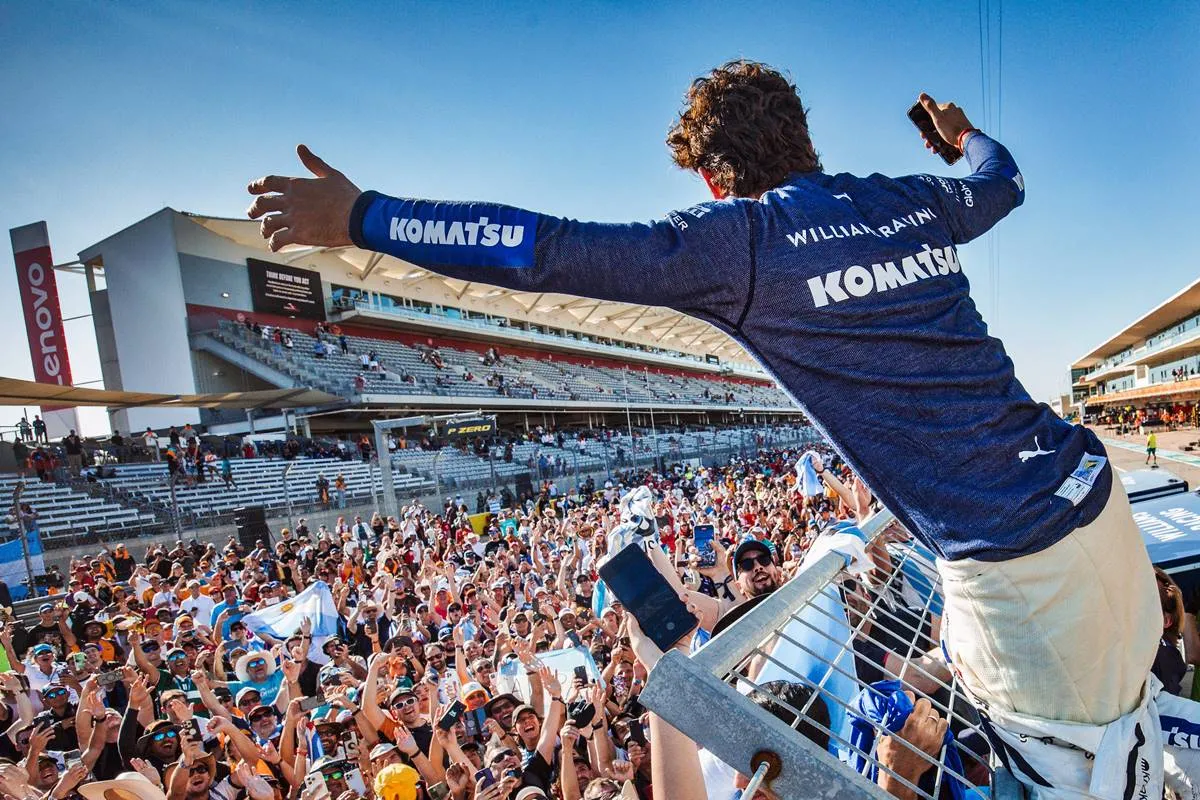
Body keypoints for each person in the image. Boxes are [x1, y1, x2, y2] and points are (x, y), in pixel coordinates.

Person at [248, 60, 1180, 795]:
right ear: (803, 140)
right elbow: (1002, 179)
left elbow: (541, 249)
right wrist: (961, 135)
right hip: (1093, 504)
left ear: (711, 175)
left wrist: (363, 217)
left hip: (1025, 576)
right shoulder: (910, 199)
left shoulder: (741, 242)